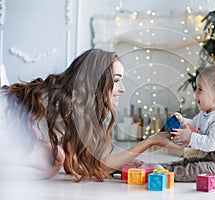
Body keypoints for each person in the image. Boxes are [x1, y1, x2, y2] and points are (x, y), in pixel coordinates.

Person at [0, 48, 179, 182]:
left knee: (58, 157)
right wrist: (151, 141)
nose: (122, 89)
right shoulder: (69, 103)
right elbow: (89, 166)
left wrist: (116, 166)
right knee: (54, 159)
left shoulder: (71, 101)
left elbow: (77, 164)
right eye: (116, 80)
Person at [160, 62, 215, 182]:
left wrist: (190, 137)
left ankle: (169, 174)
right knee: (190, 161)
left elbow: (210, 144)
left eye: (200, 89)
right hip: (211, 157)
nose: (195, 93)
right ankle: (165, 168)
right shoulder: (209, 111)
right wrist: (183, 121)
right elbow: (195, 124)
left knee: (197, 169)